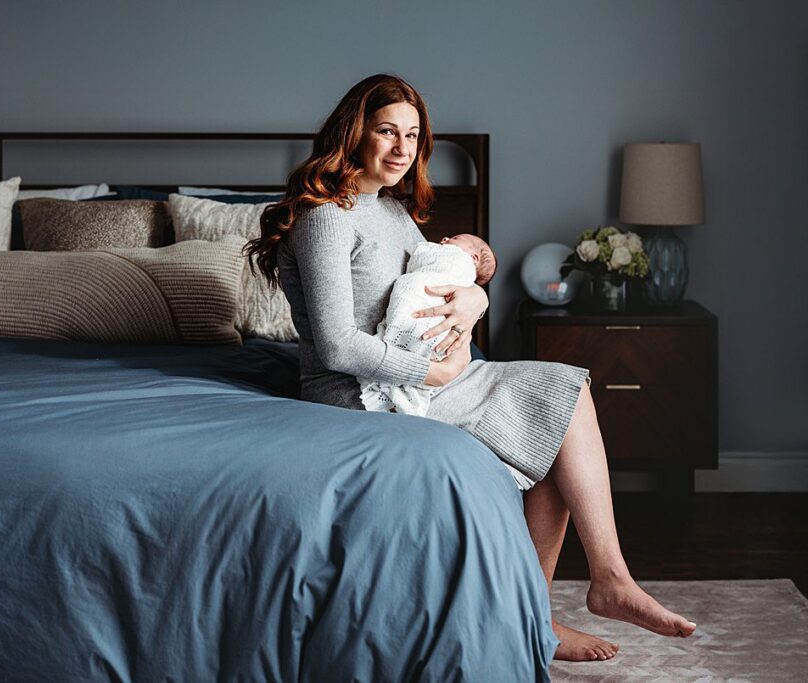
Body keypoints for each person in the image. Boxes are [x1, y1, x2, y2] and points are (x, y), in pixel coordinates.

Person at [244, 73, 697, 662]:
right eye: (387, 132)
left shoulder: (392, 213)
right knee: (552, 404)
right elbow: (336, 347)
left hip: (411, 377)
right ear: (355, 135)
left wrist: (478, 298)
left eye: (412, 135)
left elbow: (437, 282)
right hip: (356, 394)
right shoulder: (329, 215)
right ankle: (564, 606)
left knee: (560, 391)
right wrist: (429, 374)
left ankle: (588, 589)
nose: (403, 149)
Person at [358, 233, 495, 418]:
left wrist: (479, 298)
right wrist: (441, 373)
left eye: (455, 238)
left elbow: (453, 274)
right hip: (430, 363)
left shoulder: (405, 216)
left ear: (474, 258)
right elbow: (338, 349)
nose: (445, 238)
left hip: (455, 347)